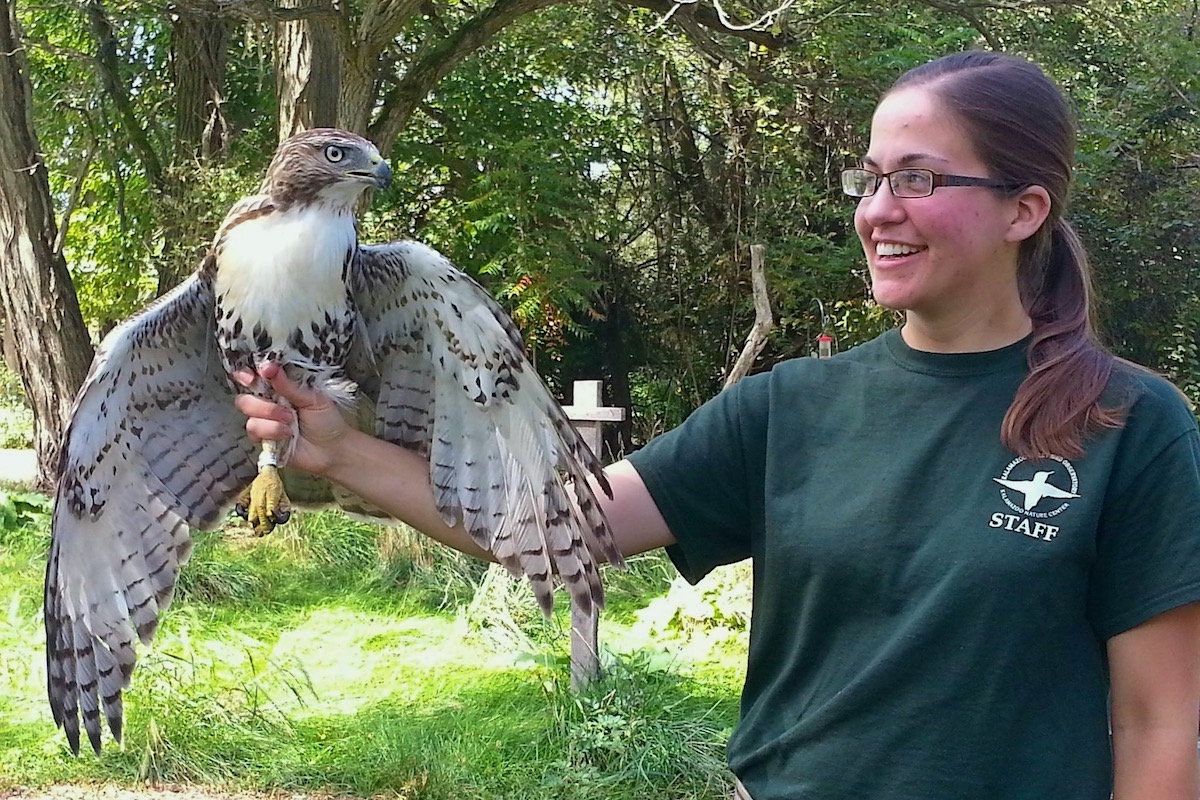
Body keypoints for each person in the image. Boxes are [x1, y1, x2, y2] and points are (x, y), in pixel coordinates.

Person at [237, 51, 1200, 799]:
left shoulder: (1129, 422)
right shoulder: (789, 408)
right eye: (869, 178)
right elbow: (570, 526)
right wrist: (343, 449)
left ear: (1024, 209)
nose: (877, 211)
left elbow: (1164, 721)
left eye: (917, 179)